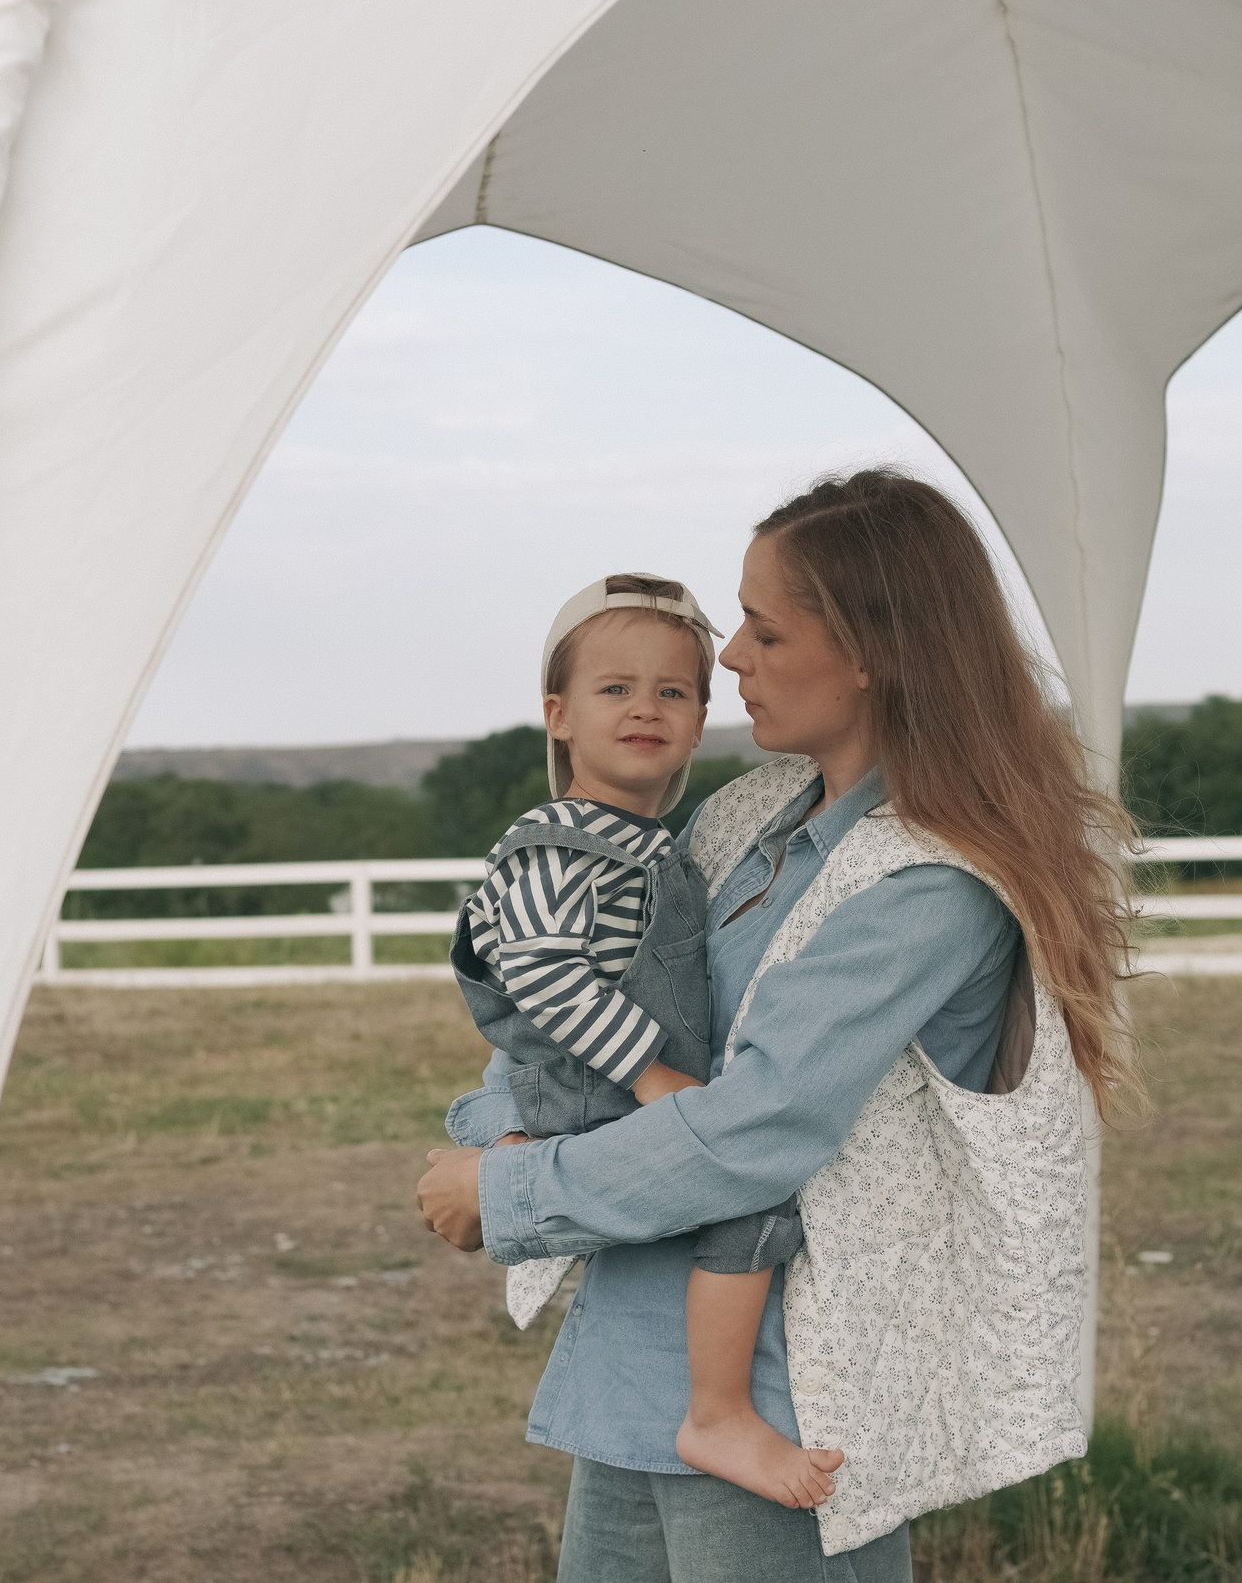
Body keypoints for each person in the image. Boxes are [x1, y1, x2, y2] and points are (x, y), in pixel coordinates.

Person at [419, 469, 1135, 1583]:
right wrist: (497, 1132)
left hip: (784, 1400)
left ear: (872, 649)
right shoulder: (749, 812)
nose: (732, 658)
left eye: (762, 628)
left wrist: (508, 1193)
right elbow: (594, 999)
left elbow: (756, 1127)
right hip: (634, 1359)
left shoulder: (928, 881)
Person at [448, 573, 838, 1512]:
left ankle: (708, 1404)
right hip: (596, 1089)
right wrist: (653, 1073)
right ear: (559, 715)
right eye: (614, 688)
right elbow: (544, 977)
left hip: (612, 1085)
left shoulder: (658, 845)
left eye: (672, 690)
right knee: (748, 1207)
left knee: (739, 1202)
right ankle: (718, 1411)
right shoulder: (555, 847)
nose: (645, 708)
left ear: (700, 720)